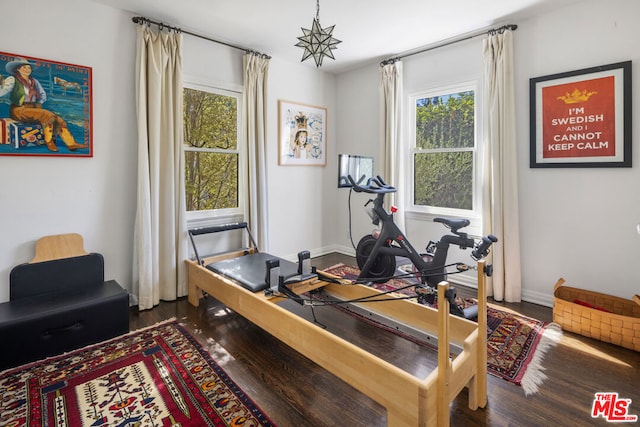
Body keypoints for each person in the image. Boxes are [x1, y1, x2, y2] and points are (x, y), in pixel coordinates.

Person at [0, 58, 87, 152]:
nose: (27, 70)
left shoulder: (34, 81)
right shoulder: (13, 79)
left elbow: (42, 94)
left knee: (59, 120)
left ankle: (71, 143)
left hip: (33, 108)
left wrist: (39, 104)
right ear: (18, 69)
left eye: (29, 68)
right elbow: (3, 91)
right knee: (47, 115)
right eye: (24, 67)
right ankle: (48, 141)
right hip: (19, 109)